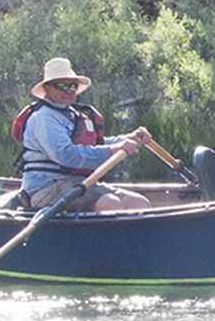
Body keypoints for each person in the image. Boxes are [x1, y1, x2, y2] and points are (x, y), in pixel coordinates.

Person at [14, 57, 152, 212]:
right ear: (47, 88)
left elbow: (94, 144)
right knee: (111, 204)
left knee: (139, 203)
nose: (68, 90)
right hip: (46, 188)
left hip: (80, 183)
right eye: (61, 85)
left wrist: (129, 138)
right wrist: (112, 150)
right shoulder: (44, 117)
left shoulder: (72, 114)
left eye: (72, 86)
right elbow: (66, 155)